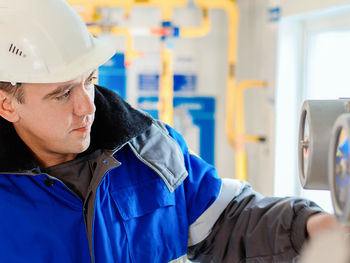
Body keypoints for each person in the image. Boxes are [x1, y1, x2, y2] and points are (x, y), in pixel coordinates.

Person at [0, 0, 339, 262]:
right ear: (8, 104)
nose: (87, 106)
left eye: (89, 80)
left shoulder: (149, 150)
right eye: (62, 94)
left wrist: (311, 226)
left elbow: (228, 221)